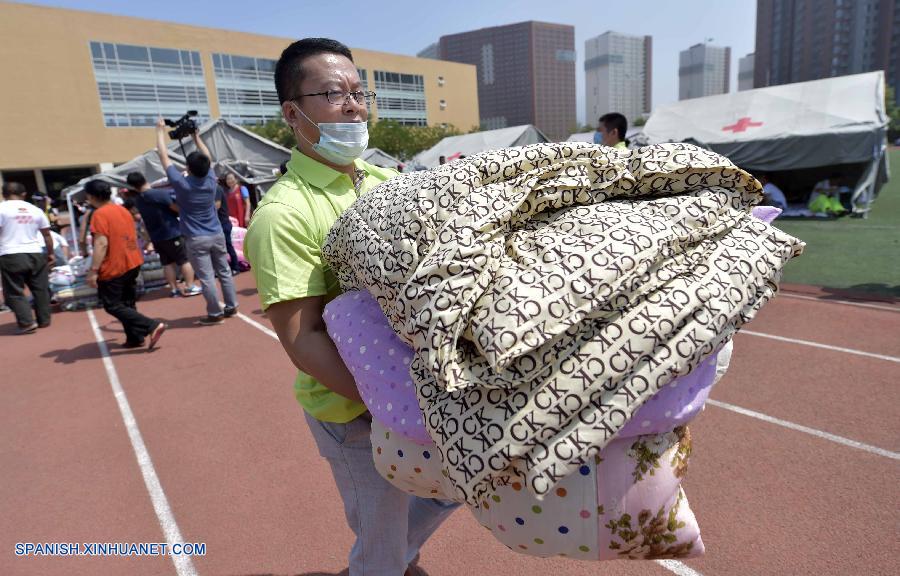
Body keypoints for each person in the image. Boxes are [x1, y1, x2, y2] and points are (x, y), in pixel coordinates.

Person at [244, 38, 459, 576]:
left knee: (458, 483)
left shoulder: (387, 183)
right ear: (293, 113)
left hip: (418, 394)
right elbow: (303, 338)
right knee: (381, 546)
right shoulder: (283, 214)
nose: (354, 105)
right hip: (353, 413)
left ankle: (396, 555)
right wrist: (393, 404)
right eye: (334, 94)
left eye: (359, 92)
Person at [155, 120, 238, 325]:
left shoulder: (182, 184)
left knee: (207, 277)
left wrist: (159, 131)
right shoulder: (211, 180)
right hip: (216, 234)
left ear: (188, 168)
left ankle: (214, 313)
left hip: (196, 237)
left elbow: (163, 156)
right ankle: (231, 306)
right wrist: (195, 136)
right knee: (224, 272)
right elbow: (207, 157)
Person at [84, 180, 166, 349]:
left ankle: (151, 325)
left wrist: (93, 270)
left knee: (112, 305)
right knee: (127, 302)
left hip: (115, 265)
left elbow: (101, 243)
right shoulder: (122, 210)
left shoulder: (99, 214)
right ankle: (135, 337)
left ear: (92, 196)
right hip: (132, 261)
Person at [126, 172, 202, 298]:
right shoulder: (158, 194)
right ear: (144, 179)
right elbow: (176, 207)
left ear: (133, 186)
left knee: (167, 263)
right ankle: (190, 286)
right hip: (171, 232)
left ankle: (174, 289)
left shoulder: (138, 200)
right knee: (183, 260)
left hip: (156, 236)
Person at [0, 182, 54, 333]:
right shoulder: (35, 210)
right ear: (23, 194)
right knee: (40, 288)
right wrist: (50, 253)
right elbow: (47, 235)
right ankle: (44, 320)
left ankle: (26, 322)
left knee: (14, 291)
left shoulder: (1, 209)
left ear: (3, 194)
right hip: (35, 252)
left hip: (10, 253)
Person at [214, 184, 241, 274]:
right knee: (223, 247)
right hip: (221, 223)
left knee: (228, 246)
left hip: (224, 223)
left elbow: (217, 205)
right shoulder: (216, 188)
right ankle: (229, 268)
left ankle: (236, 267)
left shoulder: (217, 188)